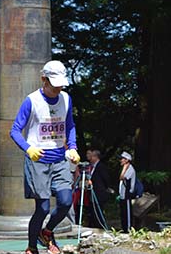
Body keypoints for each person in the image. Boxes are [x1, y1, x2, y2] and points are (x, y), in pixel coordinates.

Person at [10, 60, 80, 254]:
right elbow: (15, 130)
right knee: (42, 208)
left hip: (59, 159)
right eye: (54, 84)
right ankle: (32, 247)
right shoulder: (31, 100)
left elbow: (70, 125)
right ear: (44, 79)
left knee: (66, 201)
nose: (58, 88)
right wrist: (28, 148)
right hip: (38, 160)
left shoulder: (66, 98)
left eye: (61, 84)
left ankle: (47, 232)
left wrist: (72, 147)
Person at [87, 149, 112, 228]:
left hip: (99, 192)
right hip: (93, 191)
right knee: (93, 210)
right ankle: (94, 224)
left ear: (96, 157)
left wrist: (105, 188)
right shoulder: (93, 167)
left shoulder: (101, 166)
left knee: (99, 209)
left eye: (93, 156)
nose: (91, 158)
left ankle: (100, 225)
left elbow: (106, 178)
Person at [118, 151, 136, 232]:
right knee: (123, 212)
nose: (121, 160)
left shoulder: (130, 169)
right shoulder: (125, 168)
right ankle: (124, 228)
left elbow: (122, 177)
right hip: (122, 194)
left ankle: (128, 228)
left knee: (127, 212)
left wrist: (124, 168)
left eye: (122, 159)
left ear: (127, 160)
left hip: (127, 194)